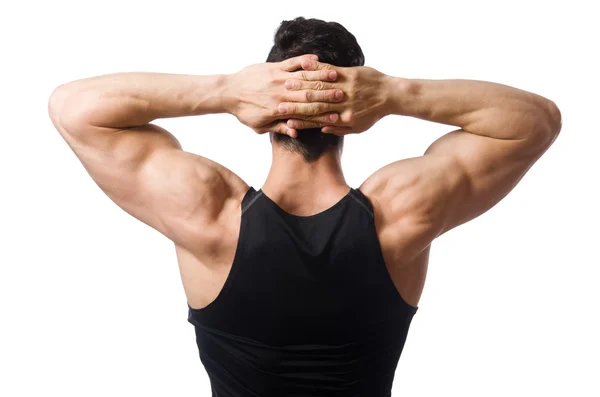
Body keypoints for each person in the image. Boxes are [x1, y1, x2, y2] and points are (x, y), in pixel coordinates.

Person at [48, 17, 561, 397]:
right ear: (354, 108)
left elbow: (73, 108)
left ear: (268, 103)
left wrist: (226, 91)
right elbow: (536, 121)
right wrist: (394, 94)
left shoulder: (207, 213)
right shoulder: (401, 214)